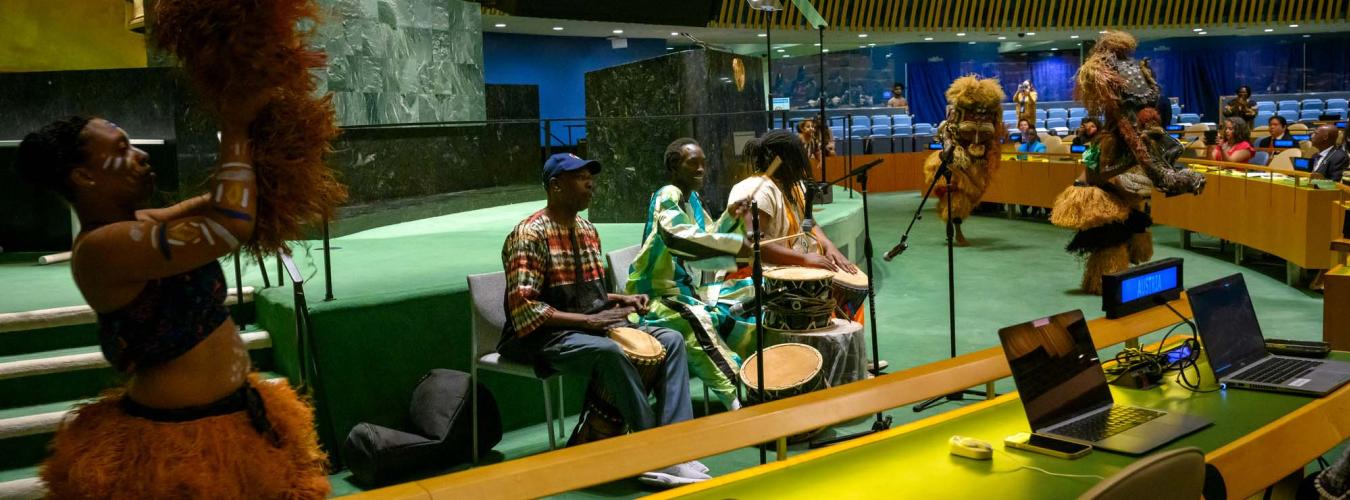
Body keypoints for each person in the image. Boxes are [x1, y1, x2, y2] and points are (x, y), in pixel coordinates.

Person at [17, 109, 330, 496]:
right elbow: (229, 225)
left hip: (238, 413)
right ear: (84, 176)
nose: (141, 155)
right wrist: (233, 124)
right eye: (123, 148)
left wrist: (268, 155)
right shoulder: (101, 249)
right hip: (179, 443)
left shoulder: (144, 221)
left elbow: (218, 205)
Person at [498, 153, 708, 487]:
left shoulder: (586, 229)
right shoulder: (529, 235)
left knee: (672, 340)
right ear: (555, 187)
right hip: (543, 336)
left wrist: (620, 298)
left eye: (589, 176)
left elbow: (590, 295)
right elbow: (525, 306)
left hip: (588, 327)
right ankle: (651, 450)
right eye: (580, 177)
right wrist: (588, 323)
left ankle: (676, 446)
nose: (590, 183)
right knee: (612, 353)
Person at [1050, 31, 1205, 294]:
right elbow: (1120, 124)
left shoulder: (1138, 71)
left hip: (1128, 154)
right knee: (1112, 237)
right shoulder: (1099, 72)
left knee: (1127, 229)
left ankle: (1113, 278)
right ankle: (1105, 281)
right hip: (1110, 164)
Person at [626, 139, 756, 410]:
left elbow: (706, 236)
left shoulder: (692, 199)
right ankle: (735, 397)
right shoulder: (667, 196)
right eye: (693, 163)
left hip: (689, 291)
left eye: (704, 163)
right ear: (675, 165)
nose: (701, 169)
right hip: (657, 296)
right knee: (695, 319)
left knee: (751, 292)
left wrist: (731, 218)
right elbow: (680, 238)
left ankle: (757, 376)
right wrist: (733, 245)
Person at [727, 130, 856, 273]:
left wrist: (828, 245)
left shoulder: (792, 184)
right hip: (762, 276)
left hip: (794, 265)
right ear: (785, 162)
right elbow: (755, 244)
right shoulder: (757, 190)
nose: (802, 167)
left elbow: (808, 221)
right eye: (798, 161)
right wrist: (803, 259)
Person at [922, 75, 1005, 246]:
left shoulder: (991, 116)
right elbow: (945, 132)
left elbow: (995, 138)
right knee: (954, 198)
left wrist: (990, 151)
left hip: (977, 164)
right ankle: (955, 230)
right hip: (957, 161)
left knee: (970, 196)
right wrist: (949, 149)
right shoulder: (957, 115)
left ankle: (956, 225)